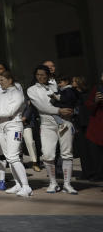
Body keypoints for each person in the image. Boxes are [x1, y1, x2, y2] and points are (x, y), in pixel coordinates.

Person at [0, 69, 33, 197]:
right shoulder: (2, 95)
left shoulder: (18, 94)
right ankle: (18, 184)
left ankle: (26, 186)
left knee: (13, 156)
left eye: (2, 80)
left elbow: (9, 112)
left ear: (10, 80)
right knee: (8, 157)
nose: (0, 83)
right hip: (1, 127)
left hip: (14, 126)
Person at [27, 64, 76, 194]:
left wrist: (72, 110)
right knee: (48, 154)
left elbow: (70, 99)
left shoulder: (56, 86)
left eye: (43, 74)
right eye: (38, 74)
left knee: (67, 153)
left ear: (48, 75)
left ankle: (67, 184)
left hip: (65, 121)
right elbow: (42, 106)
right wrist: (59, 110)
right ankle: (53, 183)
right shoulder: (31, 90)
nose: (40, 77)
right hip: (47, 123)